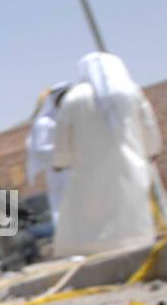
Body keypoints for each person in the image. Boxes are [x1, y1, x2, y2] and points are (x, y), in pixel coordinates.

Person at [52, 53, 162, 257]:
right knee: (131, 207)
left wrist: (61, 161)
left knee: (94, 214)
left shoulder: (74, 97)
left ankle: (99, 252)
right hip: (130, 165)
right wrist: (152, 150)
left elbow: (62, 136)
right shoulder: (131, 91)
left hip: (89, 168)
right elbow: (148, 124)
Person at [26, 83, 70, 227]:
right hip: (58, 171)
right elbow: (40, 150)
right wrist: (64, 151)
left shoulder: (60, 119)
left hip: (70, 168)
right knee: (63, 209)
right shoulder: (43, 123)